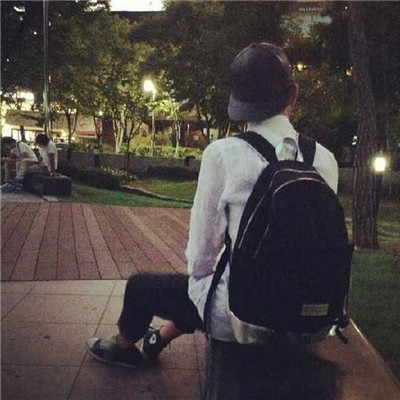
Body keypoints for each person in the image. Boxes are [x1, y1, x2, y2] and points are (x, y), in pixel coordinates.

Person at [85, 43, 339, 371]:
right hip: (306, 314)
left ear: (239, 104)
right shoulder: (325, 159)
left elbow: (201, 259)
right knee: (207, 289)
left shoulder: (222, 154)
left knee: (145, 287)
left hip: (242, 315)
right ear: (293, 94)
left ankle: (122, 348)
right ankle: (158, 338)